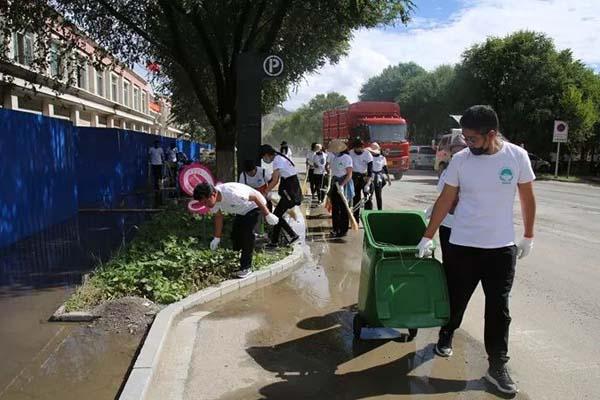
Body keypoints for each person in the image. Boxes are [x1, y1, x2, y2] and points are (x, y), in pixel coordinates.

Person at [417, 105, 536, 395]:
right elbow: (446, 200)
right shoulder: (461, 160)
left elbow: (527, 198)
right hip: (462, 246)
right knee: (456, 299)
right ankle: (446, 335)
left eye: (473, 139)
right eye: (465, 138)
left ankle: (497, 366)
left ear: (491, 134)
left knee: (499, 309)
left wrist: (528, 236)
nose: (467, 144)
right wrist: (427, 236)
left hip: (501, 249)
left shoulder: (516, 156)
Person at [193, 182, 279, 278]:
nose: (205, 205)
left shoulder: (233, 193)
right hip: (240, 210)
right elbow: (218, 217)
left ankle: (246, 267)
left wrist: (267, 214)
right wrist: (216, 238)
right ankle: (250, 246)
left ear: (213, 194)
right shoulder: (213, 202)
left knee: (246, 235)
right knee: (235, 235)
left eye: (205, 202)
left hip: (254, 206)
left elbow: (255, 197)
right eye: (202, 203)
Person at [260, 144, 301, 248]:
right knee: (276, 215)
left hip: (290, 190)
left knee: (276, 215)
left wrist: (265, 192)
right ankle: (275, 242)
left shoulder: (277, 160)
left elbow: (275, 181)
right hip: (291, 188)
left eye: (263, 156)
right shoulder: (280, 158)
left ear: (267, 154)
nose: (264, 159)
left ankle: (292, 235)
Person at [326, 139, 353, 238]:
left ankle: (343, 229)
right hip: (335, 184)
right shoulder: (333, 158)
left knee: (343, 207)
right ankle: (335, 229)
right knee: (335, 208)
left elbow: (349, 174)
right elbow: (332, 171)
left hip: (344, 184)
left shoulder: (347, 158)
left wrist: (342, 185)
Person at [349, 137, 373, 223]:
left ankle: (368, 218)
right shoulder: (350, 153)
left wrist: (368, 184)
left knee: (368, 198)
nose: (359, 150)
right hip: (354, 177)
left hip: (365, 177)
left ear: (362, 147)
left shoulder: (367, 154)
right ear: (354, 147)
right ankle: (355, 219)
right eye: (357, 148)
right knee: (356, 198)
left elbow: (370, 171)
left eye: (360, 148)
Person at [367, 142, 392, 210]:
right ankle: (369, 210)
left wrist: (389, 179)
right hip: (370, 178)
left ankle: (379, 210)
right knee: (369, 195)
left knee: (379, 195)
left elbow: (385, 169)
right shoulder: (369, 157)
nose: (372, 152)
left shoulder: (382, 158)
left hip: (378, 178)